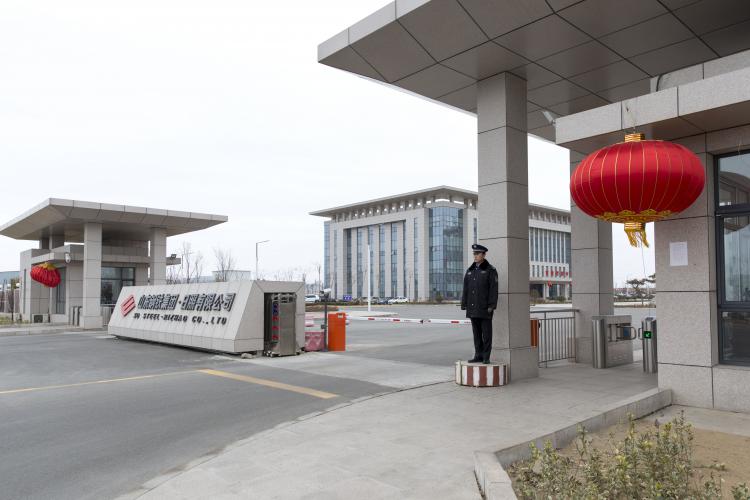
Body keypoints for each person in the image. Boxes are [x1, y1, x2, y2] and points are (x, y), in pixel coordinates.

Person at [460, 243, 498, 364]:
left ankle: (486, 356)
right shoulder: (470, 271)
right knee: (476, 334)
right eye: (474, 254)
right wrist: (464, 303)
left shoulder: (490, 270)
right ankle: (478, 355)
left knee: (486, 334)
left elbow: (493, 289)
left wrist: (491, 305)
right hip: (472, 308)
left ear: (484, 255)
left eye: (478, 254)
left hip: (485, 308)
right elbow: (466, 289)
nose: (475, 256)